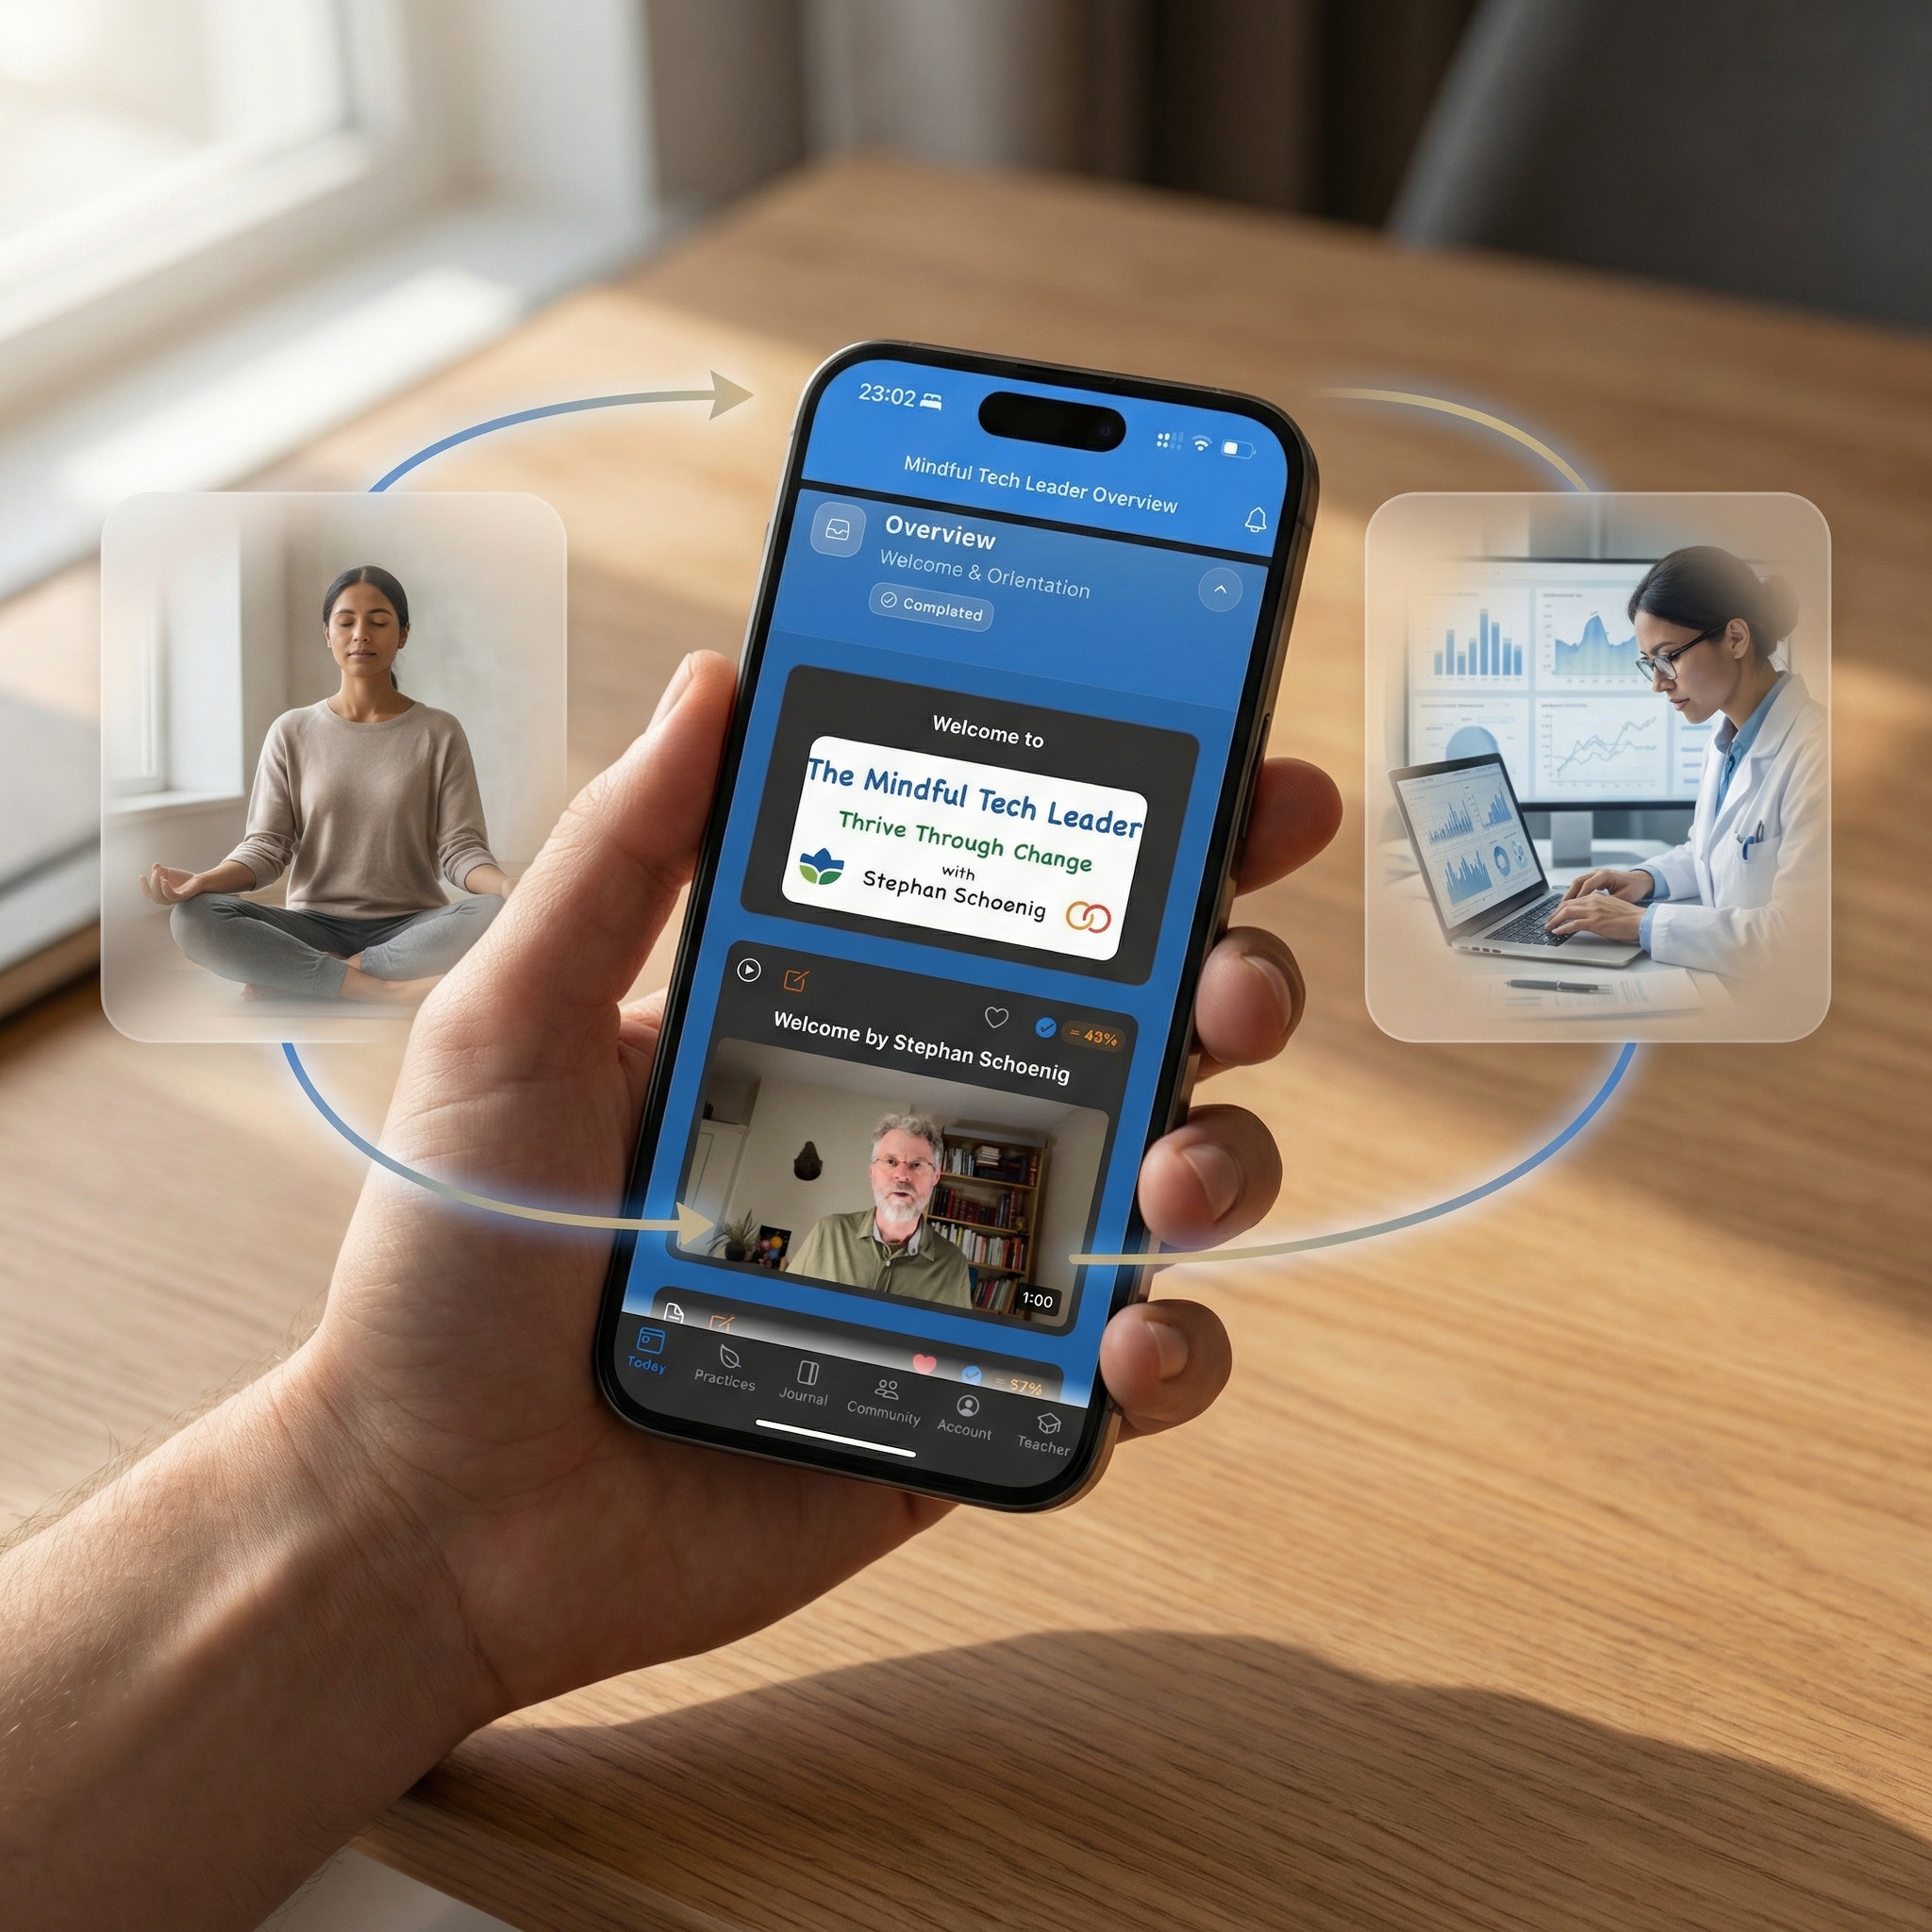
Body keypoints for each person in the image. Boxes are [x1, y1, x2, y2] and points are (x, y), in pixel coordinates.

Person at [0, 653, 1342, 1930]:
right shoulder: (798, 1255)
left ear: (937, 1192)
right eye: (885, 1157)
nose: (896, 1181)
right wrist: (391, 1498)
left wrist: (395, 1533)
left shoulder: (981, 1291)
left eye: (914, 1169)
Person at [139, 564, 512, 1004]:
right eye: (346, 621)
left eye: (378, 621)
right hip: (311, 926)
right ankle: (384, 992)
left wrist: (510, 888)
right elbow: (267, 847)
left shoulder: (439, 731)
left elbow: (460, 850)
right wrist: (204, 881)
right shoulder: (291, 730)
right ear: (327, 634)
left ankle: (310, 977)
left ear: (404, 634)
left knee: (496, 912)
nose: (361, 634)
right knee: (193, 918)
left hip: (412, 927)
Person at [1546, 545, 1826, 980]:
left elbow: (1799, 938)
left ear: (1735, 637)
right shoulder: (1731, 740)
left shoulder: (1820, 756)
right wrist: (1643, 879)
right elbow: (1715, 850)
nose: (1658, 683)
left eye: (1669, 656)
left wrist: (1640, 923)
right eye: (1650, 663)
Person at [787, 1112, 974, 1307]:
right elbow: (783, 1308)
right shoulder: (827, 1232)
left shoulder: (953, 1265)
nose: (902, 1176)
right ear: (871, 1171)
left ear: (935, 1177)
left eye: (916, 1165)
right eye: (890, 1162)